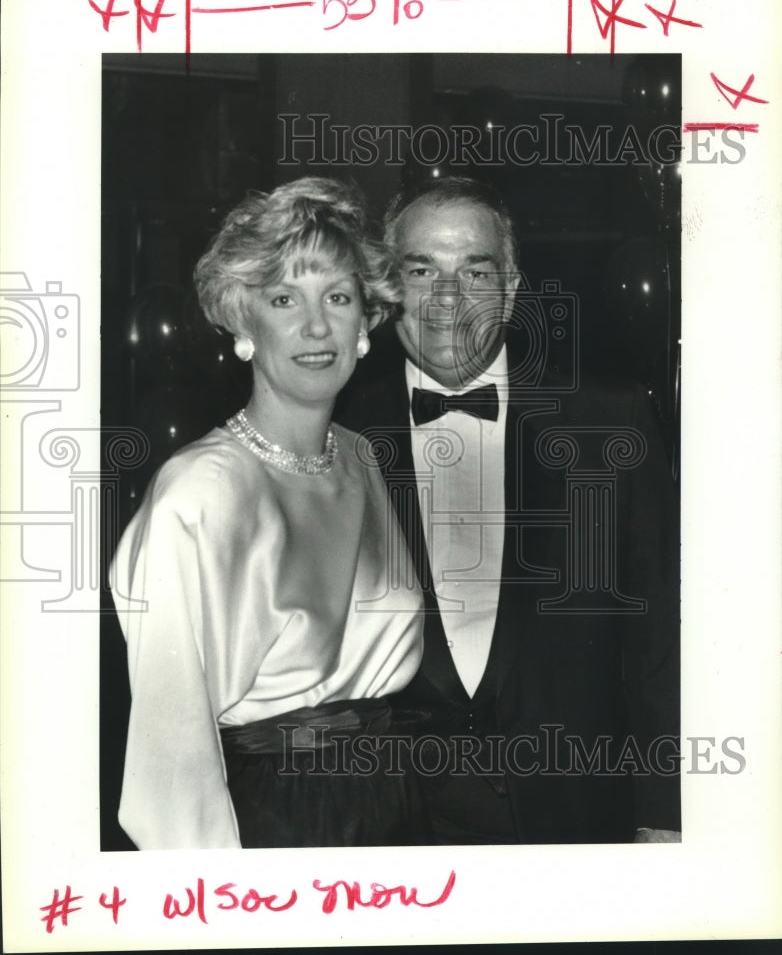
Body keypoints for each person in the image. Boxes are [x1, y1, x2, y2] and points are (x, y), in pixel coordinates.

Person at [337, 176, 681, 845]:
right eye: (420, 269)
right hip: (391, 831)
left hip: (577, 818)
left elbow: (660, 644)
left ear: (513, 286)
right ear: (387, 289)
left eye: (474, 269)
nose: (446, 297)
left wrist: (664, 816)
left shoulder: (610, 426)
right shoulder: (336, 437)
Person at [110, 177, 427, 850]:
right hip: (271, 828)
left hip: (392, 809)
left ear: (366, 322)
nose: (317, 327)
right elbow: (170, 771)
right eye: (285, 299)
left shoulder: (363, 458)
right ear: (243, 321)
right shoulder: (198, 493)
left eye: (338, 297)